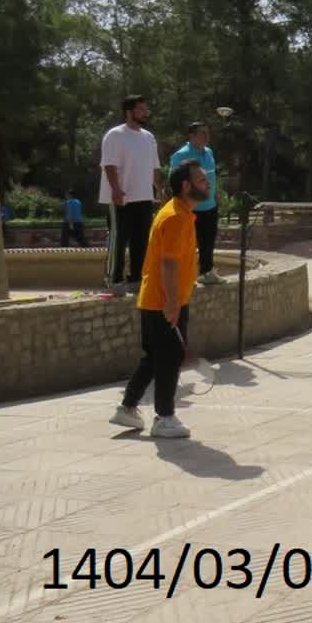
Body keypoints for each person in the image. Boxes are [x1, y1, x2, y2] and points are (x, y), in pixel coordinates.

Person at [109, 158, 210, 439]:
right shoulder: (176, 216)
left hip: (157, 299)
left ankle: (127, 408)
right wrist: (173, 303)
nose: (208, 184)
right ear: (186, 186)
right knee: (169, 359)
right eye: (202, 180)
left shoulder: (180, 213)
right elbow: (168, 263)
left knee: (154, 358)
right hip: (164, 300)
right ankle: (165, 418)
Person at [99, 95, 164, 294]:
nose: (146, 113)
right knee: (119, 240)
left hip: (144, 197)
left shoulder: (149, 137)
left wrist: (159, 189)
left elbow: (154, 167)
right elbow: (109, 164)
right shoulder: (115, 135)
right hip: (121, 198)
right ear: (129, 112)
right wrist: (116, 189)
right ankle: (114, 280)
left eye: (146, 109)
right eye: (141, 109)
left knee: (141, 240)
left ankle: (136, 279)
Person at [170, 122, 221, 285]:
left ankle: (207, 272)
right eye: (202, 133)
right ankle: (183, 276)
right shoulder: (180, 155)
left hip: (210, 206)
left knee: (208, 242)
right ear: (191, 136)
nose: (206, 136)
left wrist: (215, 194)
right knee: (186, 243)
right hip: (190, 208)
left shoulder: (209, 152)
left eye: (207, 133)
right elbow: (174, 182)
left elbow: (211, 177)